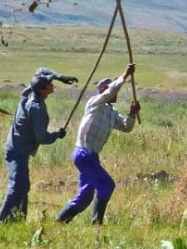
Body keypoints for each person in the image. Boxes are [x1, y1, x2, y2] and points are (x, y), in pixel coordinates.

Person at [57, 64, 141, 224]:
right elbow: (111, 91)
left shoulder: (111, 112)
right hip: (84, 153)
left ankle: (61, 220)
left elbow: (126, 127)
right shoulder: (94, 103)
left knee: (86, 194)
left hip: (91, 156)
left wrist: (132, 113)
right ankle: (96, 223)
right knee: (107, 185)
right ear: (102, 90)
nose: (115, 94)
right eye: (110, 90)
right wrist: (124, 75)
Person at [0, 67, 76, 222]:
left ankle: (19, 219)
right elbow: (42, 138)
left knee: (22, 186)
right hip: (18, 151)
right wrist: (57, 135)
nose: (52, 84)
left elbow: (41, 69)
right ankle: (2, 220)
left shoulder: (28, 93)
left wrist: (59, 76)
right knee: (17, 187)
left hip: (17, 148)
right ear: (43, 90)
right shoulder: (36, 108)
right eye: (49, 83)